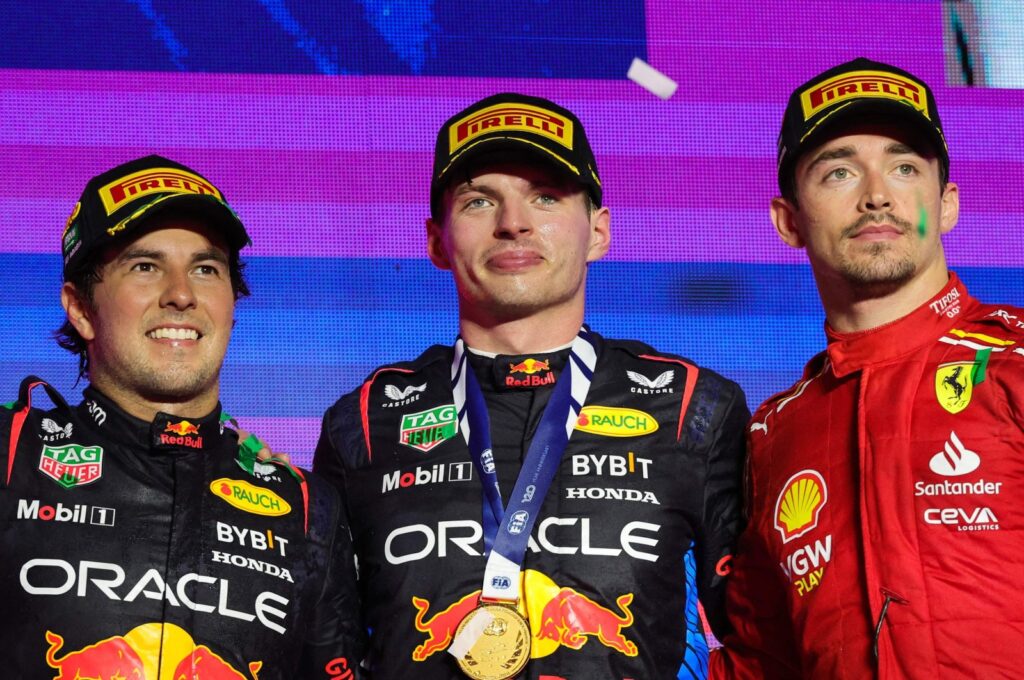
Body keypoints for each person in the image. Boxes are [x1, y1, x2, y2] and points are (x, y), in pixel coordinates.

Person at [313, 93, 750, 679]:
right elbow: (321, 648)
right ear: (437, 241)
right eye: (478, 201)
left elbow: (763, 637)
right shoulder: (363, 422)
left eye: (544, 196)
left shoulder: (694, 407)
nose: (512, 222)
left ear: (598, 232)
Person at [711, 58, 1024, 678]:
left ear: (948, 203)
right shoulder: (775, 433)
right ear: (789, 222)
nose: (877, 193)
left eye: (905, 167)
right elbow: (760, 662)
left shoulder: (1014, 365)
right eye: (838, 172)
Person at [0, 155, 365, 679]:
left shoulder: (306, 508)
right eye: (145, 266)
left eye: (205, 268)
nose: (181, 294)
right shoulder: (10, 455)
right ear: (80, 308)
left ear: (232, 304)